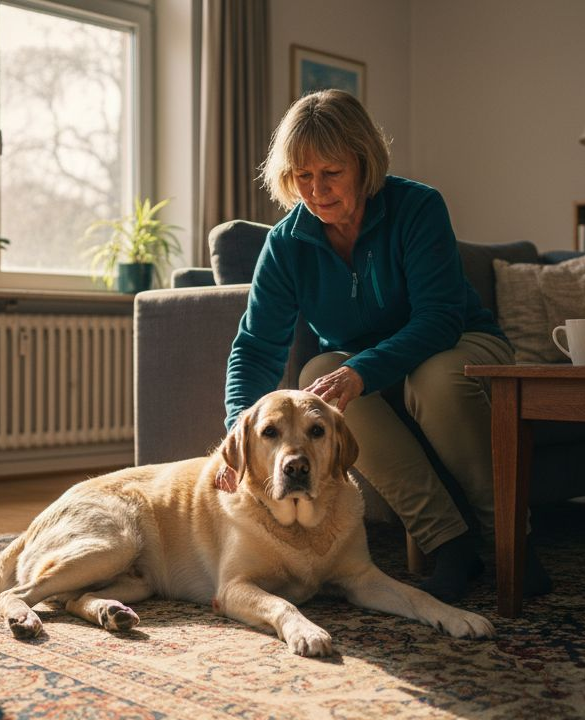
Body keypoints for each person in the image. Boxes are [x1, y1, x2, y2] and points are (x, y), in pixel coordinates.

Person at [217, 89, 550, 602]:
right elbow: (257, 346)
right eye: (302, 177)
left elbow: (440, 317)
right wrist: (234, 436)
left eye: (331, 172)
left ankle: (512, 542)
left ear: (363, 161)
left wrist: (363, 369)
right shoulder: (286, 245)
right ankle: (450, 544)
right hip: (370, 366)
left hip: (461, 342)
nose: (317, 190)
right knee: (318, 382)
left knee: (435, 377)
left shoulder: (418, 207)